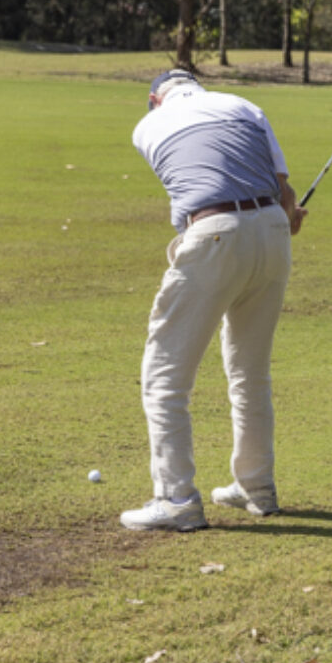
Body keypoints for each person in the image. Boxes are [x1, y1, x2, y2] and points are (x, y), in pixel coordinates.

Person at [121, 70, 306, 531]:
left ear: (155, 99)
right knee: (250, 371)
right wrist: (289, 214)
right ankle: (257, 487)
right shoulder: (244, 107)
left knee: (165, 376)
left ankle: (176, 498)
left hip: (214, 233)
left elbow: (197, 185)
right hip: (273, 232)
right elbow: (284, 194)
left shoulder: (146, 127)